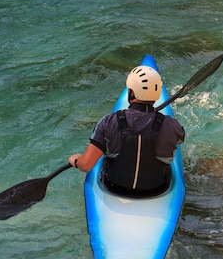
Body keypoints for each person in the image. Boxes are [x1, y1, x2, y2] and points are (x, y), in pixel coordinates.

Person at [68, 64, 185, 196]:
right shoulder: (171, 124)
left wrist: (76, 161)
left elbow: (86, 165)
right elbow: (181, 138)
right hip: (156, 188)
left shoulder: (108, 122)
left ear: (132, 93)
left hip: (114, 187)